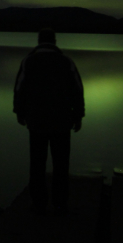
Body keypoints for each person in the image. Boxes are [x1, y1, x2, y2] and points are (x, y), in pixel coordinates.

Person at [13, 28, 85, 215]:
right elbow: (77, 90)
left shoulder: (29, 61)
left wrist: (19, 112)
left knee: (37, 164)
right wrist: (78, 116)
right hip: (62, 122)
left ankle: (39, 204)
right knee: (61, 164)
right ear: (54, 41)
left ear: (39, 41)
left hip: (36, 122)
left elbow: (19, 88)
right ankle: (60, 203)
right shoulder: (66, 61)